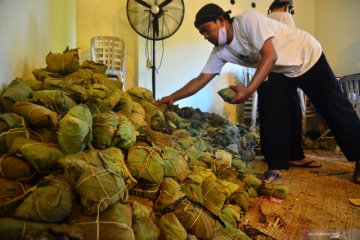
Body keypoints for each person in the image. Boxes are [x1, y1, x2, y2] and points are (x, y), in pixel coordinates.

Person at [159, 3, 360, 184]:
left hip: (306, 56)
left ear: (220, 21)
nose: (205, 36)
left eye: (206, 30)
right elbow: (200, 80)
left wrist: (248, 89)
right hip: (280, 70)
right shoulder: (219, 52)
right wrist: (171, 97)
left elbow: (270, 55)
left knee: (333, 107)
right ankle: (281, 162)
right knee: (272, 109)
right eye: (201, 33)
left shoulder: (248, 21)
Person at [259, 0, 323, 172]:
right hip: (281, 74)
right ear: (287, 6)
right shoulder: (284, 17)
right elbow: (293, 42)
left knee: (268, 116)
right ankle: (296, 156)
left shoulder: (264, 19)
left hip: (262, 76)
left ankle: (270, 154)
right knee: (292, 114)